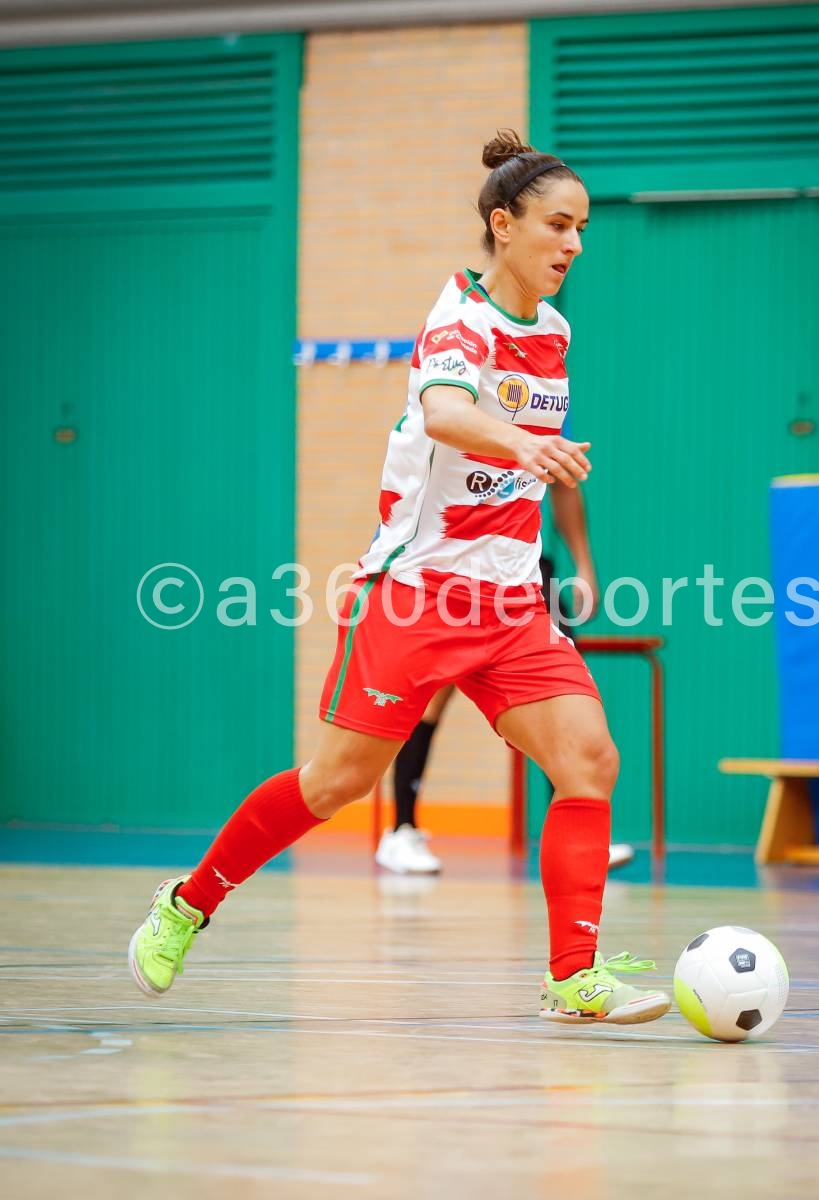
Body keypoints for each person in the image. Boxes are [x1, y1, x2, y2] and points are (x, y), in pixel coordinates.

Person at [128, 129, 670, 1026]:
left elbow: (534, 456)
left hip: (508, 600)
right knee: (336, 785)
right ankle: (188, 903)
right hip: (416, 593)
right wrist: (525, 444)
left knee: (588, 759)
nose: (574, 245)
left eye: (582, 229)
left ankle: (573, 977)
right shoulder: (455, 318)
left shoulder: (557, 332)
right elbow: (448, 413)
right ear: (504, 224)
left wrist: (554, 496)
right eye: (558, 226)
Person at [376, 482, 636, 875]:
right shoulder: (446, 425)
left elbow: (565, 485)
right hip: (450, 569)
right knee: (432, 697)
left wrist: (584, 563)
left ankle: (574, 835)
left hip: (523, 572)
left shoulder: (545, 420)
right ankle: (402, 829)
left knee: (561, 699)